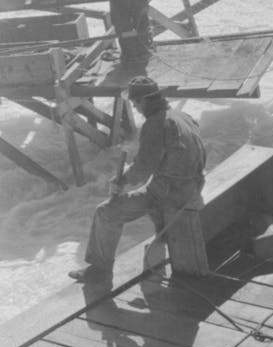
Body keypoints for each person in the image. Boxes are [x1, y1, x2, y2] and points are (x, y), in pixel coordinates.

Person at [70, 76, 208, 284]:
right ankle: (160, 248)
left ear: (145, 101)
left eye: (135, 103)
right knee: (148, 196)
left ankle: (100, 271)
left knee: (106, 213)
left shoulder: (156, 123)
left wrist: (121, 180)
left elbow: (143, 169)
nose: (135, 108)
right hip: (191, 188)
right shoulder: (183, 116)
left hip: (169, 193)